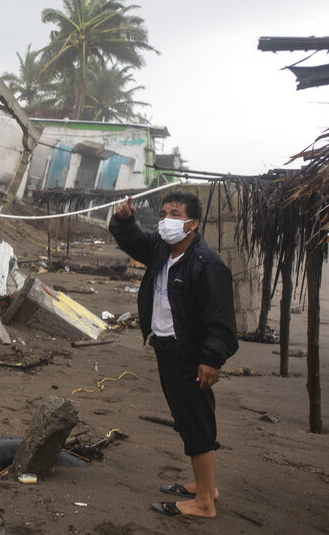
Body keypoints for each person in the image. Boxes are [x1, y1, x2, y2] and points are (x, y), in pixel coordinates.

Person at [109, 191, 238, 519]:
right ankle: (205, 487)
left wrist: (211, 358)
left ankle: (204, 503)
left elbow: (221, 319)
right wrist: (124, 220)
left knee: (196, 424)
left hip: (191, 355)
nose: (167, 220)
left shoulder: (207, 264)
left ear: (193, 223)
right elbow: (134, 241)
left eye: (175, 214)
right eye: (164, 213)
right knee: (187, 420)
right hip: (165, 348)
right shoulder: (161, 250)